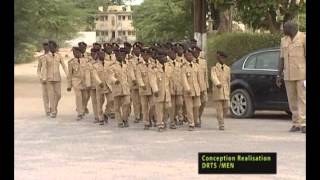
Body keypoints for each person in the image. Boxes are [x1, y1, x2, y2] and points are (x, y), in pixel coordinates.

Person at [276, 21, 306, 133]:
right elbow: (281, 58)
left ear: (291, 28)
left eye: (284, 28)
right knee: (292, 100)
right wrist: (279, 74)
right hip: (288, 75)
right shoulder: (283, 40)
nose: (283, 30)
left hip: (302, 74)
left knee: (302, 99)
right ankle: (296, 124)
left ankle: (303, 123)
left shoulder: (303, 38)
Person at [108, 48, 136, 128]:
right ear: (116, 56)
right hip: (117, 88)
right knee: (116, 107)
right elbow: (110, 76)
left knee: (127, 103)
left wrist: (134, 80)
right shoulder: (112, 66)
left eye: (123, 55)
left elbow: (131, 73)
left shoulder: (126, 65)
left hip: (126, 88)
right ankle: (119, 121)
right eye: (120, 55)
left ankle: (125, 119)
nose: (122, 56)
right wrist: (115, 80)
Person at [44, 40, 68, 118]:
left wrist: (68, 75)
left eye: (52, 47)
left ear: (55, 47)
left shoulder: (59, 56)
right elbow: (44, 68)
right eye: (49, 47)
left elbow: (64, 66)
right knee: (51, 95)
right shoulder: (46, 56)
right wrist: (43, 77)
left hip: (57, 78)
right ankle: (53, 111)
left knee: (58, 95)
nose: (51, 48)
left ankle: (53, 107)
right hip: (49, 78)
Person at [150, 51, 173, 132]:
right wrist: (155, 90)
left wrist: (172, 89)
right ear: (159, 58)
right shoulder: (154, 68)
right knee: (159, 109)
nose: (165, 58)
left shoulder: (169, 67)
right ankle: (160, 124)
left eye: (165, 56)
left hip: (167, 92)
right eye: (163, 57)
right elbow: (152, 80)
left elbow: (171, 80)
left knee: (167, 107)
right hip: (159, 92)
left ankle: (165, 121)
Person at [181, 48, 203, 131]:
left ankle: (195, 119)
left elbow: (199, 78)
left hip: (196, 89)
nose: (189, 56)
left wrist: (201, 88)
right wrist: (187, 88)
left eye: (190, 55)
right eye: (187, 55)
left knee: (197, 106)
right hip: (188, 90)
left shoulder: (196, 66)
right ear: (185, 56)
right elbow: (183, 79)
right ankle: (191, 123)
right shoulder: (183, 67)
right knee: (189, 107)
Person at [136, 48, 157, 130]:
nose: (146, 56)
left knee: (153, 105)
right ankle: (146, 122)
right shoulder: (139, 65)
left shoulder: (153, 64)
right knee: (144, 107)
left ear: (149, 55)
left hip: (152, 89)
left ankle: (150, 117)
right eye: (144, 55)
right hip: (144, 89)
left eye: (147, 55)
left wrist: (155, 88)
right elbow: (138, 77)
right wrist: (142, 84)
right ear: (142, 55)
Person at [67, 47, 89, 120]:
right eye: (74, 53)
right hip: (76, 81)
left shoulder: (86, 61)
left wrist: (88, 82)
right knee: (78, 96)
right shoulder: (71, 62)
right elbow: (69, 74)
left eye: (77, 52)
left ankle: (82, 108)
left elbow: (88, 72)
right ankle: (80, 113)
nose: (75, 54)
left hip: (84, 81)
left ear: (80, 53)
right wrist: (69, 85)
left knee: (85, 96)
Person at [210, 51, 230, 130]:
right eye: (221, 57)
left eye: (223, 58)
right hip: (217, 91)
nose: (222, 59)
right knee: (219, 109)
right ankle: (221, 124)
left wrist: (229, 91)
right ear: (218, 58)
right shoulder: (214, 68)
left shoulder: (227, 68)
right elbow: (213, 77)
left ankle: (220, 118)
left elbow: (228, 81)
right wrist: (217, 83)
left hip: (225, 92)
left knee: (226, 107)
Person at [191, 46, 209, 127]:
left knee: (204, 101)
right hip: (194, 86)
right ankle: (196, 119)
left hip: (203, 85)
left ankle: (199, 116)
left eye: (197, 52)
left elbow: (206, 74)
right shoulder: (190, 61)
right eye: (194, 52)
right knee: (196, 104)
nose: (196, 54)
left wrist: (207, 85)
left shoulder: (203, 62)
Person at [94, 50, 112, 125]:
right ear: (98, 55)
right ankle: (101, 118)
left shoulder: (108, 64)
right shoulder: (95, 65)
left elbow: (111, 73)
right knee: (100, 103)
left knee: (111, 100)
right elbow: (95, 75)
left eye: (103, 54)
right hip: (100, 86)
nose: (102, 55)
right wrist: (99, 82)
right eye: (101, 54)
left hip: (108, 85)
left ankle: (106, 113)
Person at [167, 48, 183, 129]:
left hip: (179, 87)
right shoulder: (167, 65)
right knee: (171, 106)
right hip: (170, 88)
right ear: (169, 55)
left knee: (180, 103)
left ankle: (174, 116)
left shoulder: (179, 64)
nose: (173, 55)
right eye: (171, 53)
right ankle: (172, 122)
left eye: (174, 53)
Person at [86, 48, 103, 123]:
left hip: (100, 85)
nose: (94, 55)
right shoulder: (90, 64)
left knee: (100, 101)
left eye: (96, 53)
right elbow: (87, 75)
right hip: (93, 85)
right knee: (94, 101)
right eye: (93, 53)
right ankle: (97, 117)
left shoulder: (102, 63)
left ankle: (102, 114)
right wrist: (88, 84)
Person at [129, 43, 142, 123]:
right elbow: (131, 72)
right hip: (134, 84)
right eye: (135, 49)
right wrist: (134, 80)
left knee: (142, 101)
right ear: (133, 51)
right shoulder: (130, 61)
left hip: (143, 84)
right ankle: (137, 116)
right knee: (135, 101)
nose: (137, 50)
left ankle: (142, 113)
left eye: (138, 49)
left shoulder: (143, 59)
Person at [37, 42, 50, 116]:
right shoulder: (41, 57)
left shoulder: (53, 56)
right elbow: (38, 69)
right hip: (44, 79)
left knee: (53, 95)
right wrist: (40, 77)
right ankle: (47, 110)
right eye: (44, 47)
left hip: (52, 78)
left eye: (47, 46)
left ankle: (52, 108)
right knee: (45, 95)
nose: (46, 48)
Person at [78, 41, 90, 114]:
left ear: (85, 48)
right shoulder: (76, 55)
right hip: (78, 79)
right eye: (80, 47)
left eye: (83, 47)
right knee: (79, 95)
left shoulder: (89, 56)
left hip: (87, 78)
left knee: (86, 96)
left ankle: (84, 106)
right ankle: (81, 108)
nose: (82, 49)